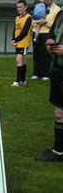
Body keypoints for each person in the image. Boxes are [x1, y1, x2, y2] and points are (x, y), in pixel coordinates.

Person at [35, 8, 63, 162]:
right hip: (58, 70)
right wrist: (49, 42)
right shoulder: (60, 14)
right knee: (59, 112)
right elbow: (51, 35)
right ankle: (58, 151)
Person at [32, 0, 60, 80]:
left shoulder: (57, 9)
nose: (49, 1)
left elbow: (56, 23)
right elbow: (33, 19)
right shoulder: (40, 6)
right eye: (47, 0)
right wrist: (37, 23)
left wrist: (46, 22)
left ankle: (45, 74)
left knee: (45, 54)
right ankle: (36, 73)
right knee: (36, 53)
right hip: (36, 32)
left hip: (47, 33)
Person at [10, 0, 32, 87]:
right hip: (18, 42)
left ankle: (17, 81)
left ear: (25, 7)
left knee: (18, 60)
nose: (19, 9)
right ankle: (23, 80)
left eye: (21, 7)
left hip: (24, 43)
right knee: (22, 60)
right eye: (18, 7)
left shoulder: (28, 18)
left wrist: (16, 40)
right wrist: (13, 39)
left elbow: (24, 32)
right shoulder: (17, 18)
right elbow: (15, 30)